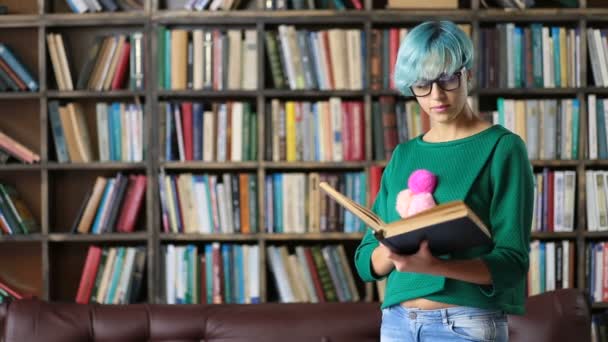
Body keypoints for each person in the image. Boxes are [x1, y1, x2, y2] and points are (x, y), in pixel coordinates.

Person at [354, 20, 534, 342]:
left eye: (448, 79)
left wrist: (434, 265)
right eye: (422, 84)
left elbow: (512, 263)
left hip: (465, 322)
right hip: (396, 322)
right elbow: (367, 262)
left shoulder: (503, 147)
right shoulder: (404, 155)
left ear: (468, 74)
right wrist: (391, 252)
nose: (436, 95)